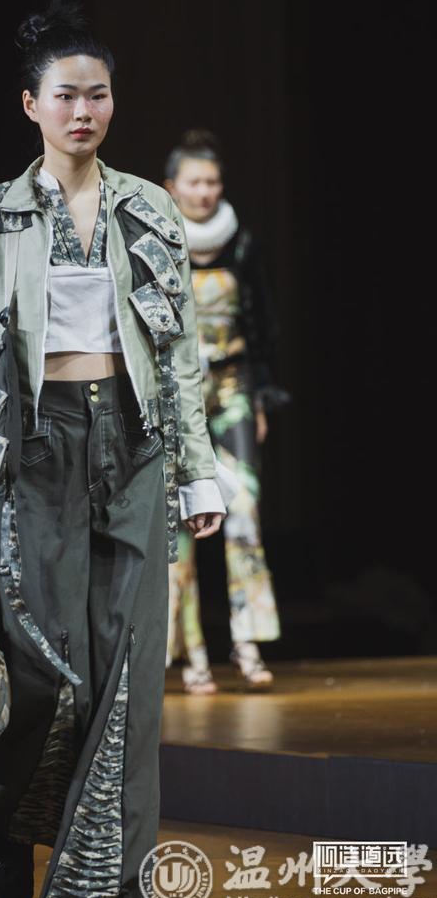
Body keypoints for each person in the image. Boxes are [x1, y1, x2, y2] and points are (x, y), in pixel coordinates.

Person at [0, 0, 237, 898]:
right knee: (46, 672)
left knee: (132, 679)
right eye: (65, 95)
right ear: (31, 105)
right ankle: (7, 814)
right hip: (35, 450)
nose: (83, 111)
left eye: (97, 95)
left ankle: (114, 891)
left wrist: (199, 470)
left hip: (135, 443)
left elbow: (179, 354)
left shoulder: (148, 207)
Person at [163, 129, 290, 696]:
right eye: (194, 182)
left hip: (234, 386)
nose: (205, 191)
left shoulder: (242, 244)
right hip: (179, 395)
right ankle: (190, 653)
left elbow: (262, 326)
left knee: (243, 510)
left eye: (213, 181)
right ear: (172, 186)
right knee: (180, 521)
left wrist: (260, 397)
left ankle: (248, 640)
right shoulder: (158, 241)